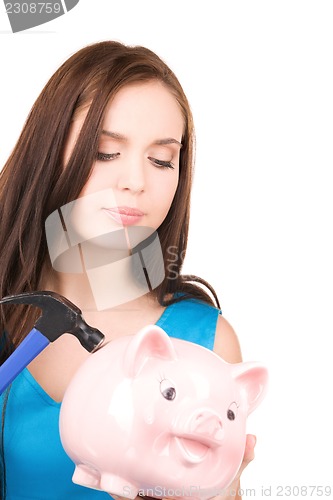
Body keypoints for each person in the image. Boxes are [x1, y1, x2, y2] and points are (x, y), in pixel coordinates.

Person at [0, 40, 256, 499]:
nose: (136, 182)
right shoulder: (6, 314)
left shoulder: (207, 345)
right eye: (104, 153)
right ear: (48, 151)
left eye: (161, 160)